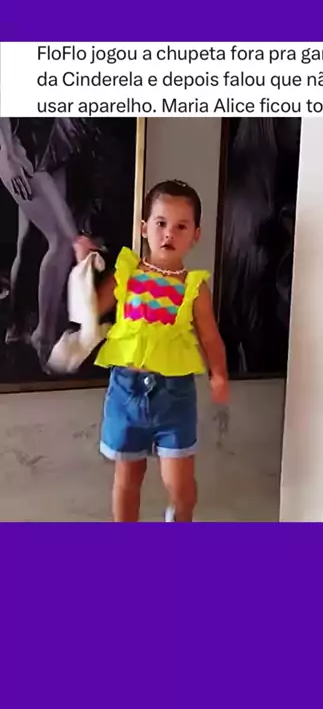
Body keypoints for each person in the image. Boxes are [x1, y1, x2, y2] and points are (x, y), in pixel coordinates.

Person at [76, 179, 229, 522]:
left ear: (195, 235)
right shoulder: (127, 274)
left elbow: (210, 338)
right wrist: (83, 265)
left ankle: (179, 520)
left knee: (180, 484)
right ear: (145, 228)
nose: (169, 233)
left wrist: (219, 374)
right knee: (128, 477)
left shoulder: (194, 287)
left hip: (174, 396)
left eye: (181, 226)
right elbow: (92, 307)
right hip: (126, 392)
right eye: (161, 223)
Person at [0, 117, 96, 368]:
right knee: (62, 241)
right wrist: (8, 153)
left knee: (30, 238)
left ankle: (17, 326)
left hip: (48, 146)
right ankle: (44, 338)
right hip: (23, 150)